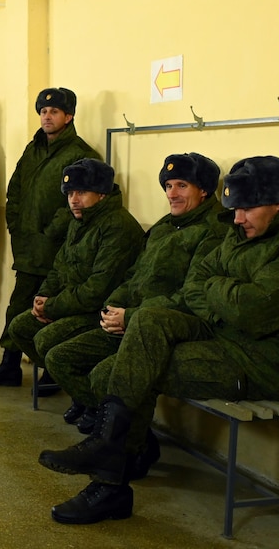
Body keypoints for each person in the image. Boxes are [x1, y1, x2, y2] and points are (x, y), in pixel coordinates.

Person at [38, 156, 279, 525]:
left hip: (267, 360)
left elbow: (249, 309)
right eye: (234, 209)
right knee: (144, 325)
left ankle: (109, 485)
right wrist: (223, 293)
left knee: (116, 373)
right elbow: (200, 281)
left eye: (245, 209)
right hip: (223, 334)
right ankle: (109, 454)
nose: (237, 219)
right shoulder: (246, 226)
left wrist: (217, 291)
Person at [44, 152, 225, 479]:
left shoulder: (213, 231)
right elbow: (134, 276)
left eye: (182, 185)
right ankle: (125, 437)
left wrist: (131, 316)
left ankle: (128, 449)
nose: (172, 193)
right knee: (61, 357)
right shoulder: (164, 227)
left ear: (205, 190)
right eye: (168, 185)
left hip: (166, 327)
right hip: (130, 320)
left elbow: (192, 297)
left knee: (104, 375)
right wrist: (113, 307)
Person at [0, 87, 102, 389]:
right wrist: (14, 223)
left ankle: (51, 372)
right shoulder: (33, 149)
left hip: (58, 250)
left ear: (68, 116)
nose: (47, 116)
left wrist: (50, 231)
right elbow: (15, 187)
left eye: (54, 111)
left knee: (53, 310)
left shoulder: (81, 155)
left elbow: (76, 205)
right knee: (18, 306)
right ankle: (9, 364)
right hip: (28, 247)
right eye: (43, 111)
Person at [7, 158, 143, 378]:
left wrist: (52, 307)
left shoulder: (117, 226)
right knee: (19, 327)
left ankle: (87, 396)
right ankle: (63, 377)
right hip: (72, 304)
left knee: (44, 339)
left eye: (81, 192)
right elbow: (59, 266)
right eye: (70, 194)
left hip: (98, 312)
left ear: (102, 193)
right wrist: (44, 295)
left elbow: (98, 290)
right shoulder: (78, 222)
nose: (74, 201)